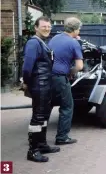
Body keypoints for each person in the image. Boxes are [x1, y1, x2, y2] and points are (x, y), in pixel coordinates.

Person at [22, 16, 60, 162]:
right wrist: (26, 82)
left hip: (45, 85)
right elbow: (27, 67)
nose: (47, 29)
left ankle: (42, 144)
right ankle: (33, 150)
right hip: (39, 85)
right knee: (37, 117)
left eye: (49, 26)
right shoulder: (33, 43)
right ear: (36, 28)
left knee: (43, 116)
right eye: (44, 26)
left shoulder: (42, 43)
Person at [48, 17, 83, 145]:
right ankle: (62, 137)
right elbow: (79, 66)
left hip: (47, 77)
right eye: (79, 29)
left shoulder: (54, 38)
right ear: (75, 29)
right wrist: (70, 72)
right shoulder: (73, 43)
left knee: (47, 105)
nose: (79, 31)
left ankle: (37, 135)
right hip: (60, 78)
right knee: (67, 106)